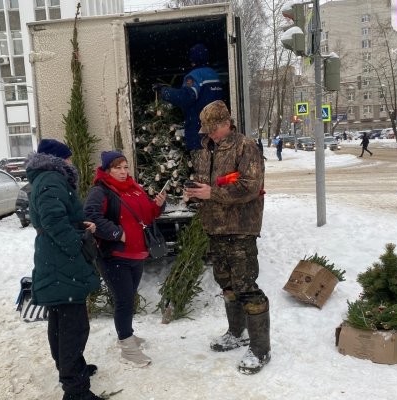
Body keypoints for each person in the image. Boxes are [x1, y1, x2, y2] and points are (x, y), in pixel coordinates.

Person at [184, 100, 270, 375]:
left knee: (246, 286)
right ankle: (236, 333)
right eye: (207, 130)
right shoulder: (205, 150)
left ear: (226, 123)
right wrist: (193, 195)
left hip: (241, 228)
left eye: (213, 129)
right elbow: (204, 185)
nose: (209, 134)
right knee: (227, 284)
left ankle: (260, 348)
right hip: (215, 228)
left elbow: (251, 187)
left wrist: (212, 193)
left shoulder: (246, 147)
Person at [26, 139, 102, 400]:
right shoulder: (51, 179)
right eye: (68, 157)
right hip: (62, 262)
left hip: (55, 260)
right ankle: (75, 389)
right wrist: (76, 243)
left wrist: (80, 226)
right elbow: (52, 219)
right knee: (73, 327)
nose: (72, 161)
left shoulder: (46, 178)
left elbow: (57, 218)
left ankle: (71, 370)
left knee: (61, 322)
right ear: (58, 159)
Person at [84, 150, 166, 367]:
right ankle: (127, 346)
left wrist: (157, 205)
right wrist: (117, 233)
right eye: (117, 168)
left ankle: (126, 336)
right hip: (114, 255)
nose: (123, 172)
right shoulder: (100, 191)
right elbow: (90, 216)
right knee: (124, 300)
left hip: (137, 254)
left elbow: (147, 216)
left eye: (125, 167)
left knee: (129, 298)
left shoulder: (135, 188)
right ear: (107, 170)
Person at [154, 43, 224, 158]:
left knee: (202, 172)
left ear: (193, 60)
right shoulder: (214, 75)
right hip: (217, 133)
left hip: (199, 133)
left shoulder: (194, 76)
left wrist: (164, 91)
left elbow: (185, 97)